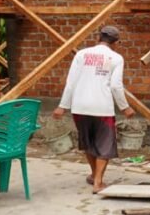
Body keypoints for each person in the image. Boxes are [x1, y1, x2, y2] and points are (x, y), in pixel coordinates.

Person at [54, 25, 134, 192]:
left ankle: (93, 175)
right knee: (105, 145)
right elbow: (116, 86)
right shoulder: (116, 58)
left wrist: (62, 106)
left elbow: (71, 82)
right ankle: (98, 181)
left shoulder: (81, 54)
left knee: (88, 143)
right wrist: (125, 107)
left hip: (79, 107)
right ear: (116, 42)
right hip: (102, 107)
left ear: (98, 38)